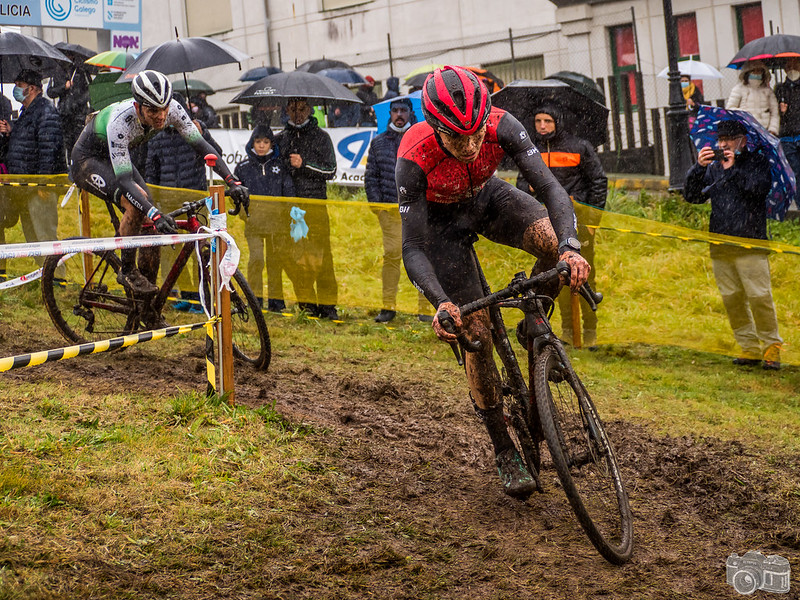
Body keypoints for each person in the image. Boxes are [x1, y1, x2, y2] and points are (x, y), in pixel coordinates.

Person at [396, 66, 589, 498]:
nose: (469, 146)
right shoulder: (414, 155)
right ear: (435, 128)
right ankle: (503, 446)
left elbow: (551, 189)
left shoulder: (503, 125)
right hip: (440, 227)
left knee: (554, 242)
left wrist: (570, 248)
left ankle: (531, 324)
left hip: (488, 199)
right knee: (475, 332)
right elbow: (413, 248)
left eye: (476, 135)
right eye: (456, 138)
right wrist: (441, 302)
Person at [70, 70, 249, 297]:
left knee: (149, 224)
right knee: (138, 206)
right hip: (89, 160)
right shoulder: (121, 122)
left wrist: (232, 181)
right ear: (138, 107)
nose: (161, 116)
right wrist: (154, 213)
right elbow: (124, 181)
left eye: (164, 108)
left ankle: (146, 305)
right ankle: (127, 270)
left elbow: (203, 147)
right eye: (153, 110)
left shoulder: (173, 109)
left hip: (118, 157)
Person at [682, 119, 782, 370]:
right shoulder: (713, 166)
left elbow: (757, 189)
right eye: (720, 139)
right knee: (732, 298)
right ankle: (748, 347)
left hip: (750, 242)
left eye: (729, 139)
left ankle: (772, 347)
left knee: (759, 297)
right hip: (720, 241)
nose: (723, 144)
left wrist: (732, 169)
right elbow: (693, 196)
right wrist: (698, 167)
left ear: (742, 140)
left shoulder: (757, 162)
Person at [516, 104, 607, 347]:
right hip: (547, 225)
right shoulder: (529, 150)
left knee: (586, 276)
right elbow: (519, 185)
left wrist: (592, 220)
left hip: (579, 223)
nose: (542, 126)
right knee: (558, 277)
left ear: (557, 122)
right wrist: (529, 188)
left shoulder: (580, 146)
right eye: (538, 121)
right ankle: (567, 331)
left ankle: (590, 332)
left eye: (547, 121)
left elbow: (598, 181)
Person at [145, 92, 223, 311]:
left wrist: (204, 134)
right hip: (168, 202)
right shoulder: (157, 136)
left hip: (195, 201)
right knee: (171, 250)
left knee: (201, 249)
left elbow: (217, 155)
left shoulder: (194, 131)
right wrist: (153, 201)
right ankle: (185, 293)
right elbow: (151, 171)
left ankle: (203, 297)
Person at [364, 97, 429, 323]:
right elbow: (371, 178)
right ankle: (388, 307)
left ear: (411, 113)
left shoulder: (422, 138)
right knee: (391, 257)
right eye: (395, 111)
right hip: (389, 212)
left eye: (403, 110)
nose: (399, 114)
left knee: (422, 258)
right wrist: (378, 208)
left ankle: (425, 308)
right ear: (389, 114)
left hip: (419, 211)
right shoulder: (379, 142)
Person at [273, 96, 339, 319]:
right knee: (297, 257)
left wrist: (305, 165)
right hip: (291, 208)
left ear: (310, 110)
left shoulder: (322, 137)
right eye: (293, 108)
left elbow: (330, 170)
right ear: (286, 110)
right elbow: (276, 170)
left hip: (316, 205)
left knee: (323, 257)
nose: (297, 113)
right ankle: (306, 305)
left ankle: (328, 306)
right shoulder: (280, 139)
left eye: (302, 109)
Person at [0, 69, 65, 279]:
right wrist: (11, 131)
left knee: (45, 233)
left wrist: (43, 184)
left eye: (19, 85)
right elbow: (23, 142)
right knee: (32, 235)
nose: (16, 89)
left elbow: (49, 149)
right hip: (25, 189)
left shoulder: (46, 112)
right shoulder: (26, 112)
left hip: (39, 188)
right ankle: (45, 274)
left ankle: (58, 278)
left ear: (33, 88)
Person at [234, 124, 296, 312]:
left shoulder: (280, 166)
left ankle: (276, 303)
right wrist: (246, 216)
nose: (262, 145)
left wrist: (286, 216)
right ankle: (255, 301)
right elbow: (235, 195)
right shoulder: (243, 167)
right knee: (256, 259)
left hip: (276, 225)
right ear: (252, 143)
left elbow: (289, 193)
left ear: (271, 144)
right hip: (253, 224)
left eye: (266, 141)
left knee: (275, 262)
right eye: (258, 141)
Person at [47, 59, 93, 158]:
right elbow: (50, 92)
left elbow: (90, 90)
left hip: (79, 114)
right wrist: (64, 87)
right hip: (64, 115)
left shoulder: (81, 71)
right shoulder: (56, 72)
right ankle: (70, 164)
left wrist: (79, 101)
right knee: (67, 143)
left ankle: (79, 163)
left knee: (80, 142)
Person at [726, 61, 779, 135]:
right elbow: (730, 109)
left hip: (765, 132)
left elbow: (774, 112)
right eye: (753, 70)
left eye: (759, 70)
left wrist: (773, 129)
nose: (756, 73)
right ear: (747, 72)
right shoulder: (738, 89)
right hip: (745, 131)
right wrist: (745, 113)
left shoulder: (767, 91)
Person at [775, 57, 800, 209]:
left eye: (794, 63)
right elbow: (775, 114)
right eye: (788, 64)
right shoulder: (780, 89)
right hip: (787, 137)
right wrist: (781, 111)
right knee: (795, 175)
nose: (791, 67)